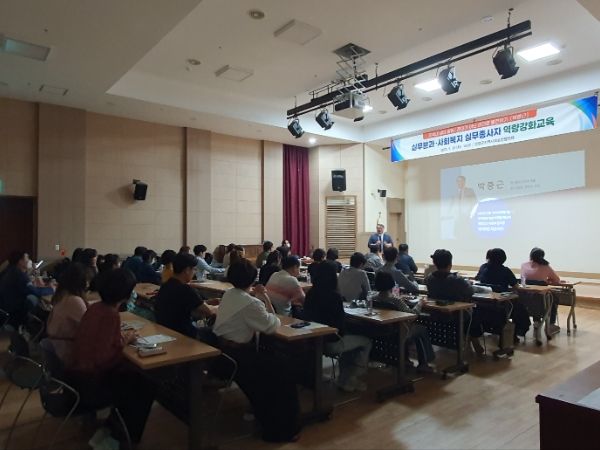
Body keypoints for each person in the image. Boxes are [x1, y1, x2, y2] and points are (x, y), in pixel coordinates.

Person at [213, 259, 300, 442]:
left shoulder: (229, 294)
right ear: (253, 279)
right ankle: (282, 430)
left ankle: (260, 413)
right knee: (285, 372)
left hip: (223, 352)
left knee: (276, 364)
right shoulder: (250, 303)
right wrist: (265, 297)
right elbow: (273, 325)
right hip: (239, 357)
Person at [69, 268, 155, 444]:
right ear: (126, 293)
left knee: (138, 378)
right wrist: (124, 347)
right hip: (92, 382)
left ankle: (113, 427)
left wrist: (123, 341)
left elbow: (100, 342)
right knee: (146, 385)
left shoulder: (95, 308)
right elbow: (103, 359)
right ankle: (126, 437)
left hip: (76, 375)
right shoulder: (110, 314)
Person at [303, 261, 372, 392]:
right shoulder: (334, 296)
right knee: (366, 341)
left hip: (314, 340)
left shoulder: (311, 293)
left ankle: (344, 378)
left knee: (350, 340)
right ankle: (351, 378)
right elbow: (340, 325)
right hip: (331, 342)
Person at [373, 271, 435, 370]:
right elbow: (412, 314)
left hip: (382, 331)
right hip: (399, 332)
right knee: (421, 329)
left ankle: (405, 359)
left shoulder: (373, 298)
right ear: (391, 283)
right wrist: (420, 303)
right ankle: (424, 364)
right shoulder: (396, 300)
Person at [425, 249, 483, 354]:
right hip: (456, 315)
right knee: (475, 312)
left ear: (435, 263)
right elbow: (470, 291)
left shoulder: (429, 278)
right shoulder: (456, 280)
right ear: (450, 264)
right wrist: (467, 283)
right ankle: (475, 341)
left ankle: (471, 341)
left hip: (436, 314)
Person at [476, 248, 530, 340]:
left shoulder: (483, 268)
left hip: (482, 304)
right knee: (520, 308)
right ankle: (516, 332)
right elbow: (516, 286)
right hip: (501, 304)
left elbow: (478, 280)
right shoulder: (505, 271)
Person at [154, 253, 213, 337]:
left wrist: (208, 302)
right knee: (214, 333)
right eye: (194, 269)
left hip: (164, 329)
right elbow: (208, 312)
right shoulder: (186, 289)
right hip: (182, 333)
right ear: (187, 270)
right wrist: (216, 307)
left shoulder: (166, 285)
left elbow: (190, 304)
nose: (195, 272)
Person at [47, 263, 88, 366]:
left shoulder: (61, 295)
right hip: (65, 350)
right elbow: (89, 326)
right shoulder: (75, 300)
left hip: (55, 345)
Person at [0, 251, 55, 327]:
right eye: (27, 258)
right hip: (13, 310)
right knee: (35, 299)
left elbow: (26, 287)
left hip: (3, 307)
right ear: (20, 261)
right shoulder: (20, 275)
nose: (30, 260)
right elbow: (36, 292)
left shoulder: (9, 270)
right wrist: (51, 289)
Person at [521, 247, 561, 335]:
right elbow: (557, 280)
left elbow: (523, 280)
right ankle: (551, 323)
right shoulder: (546, 266)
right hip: (542, 297)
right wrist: (547, 281)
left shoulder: (524, 265)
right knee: (554, 299)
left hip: (526, 296)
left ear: (531, 255)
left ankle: (536, 321)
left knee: (535, 301)